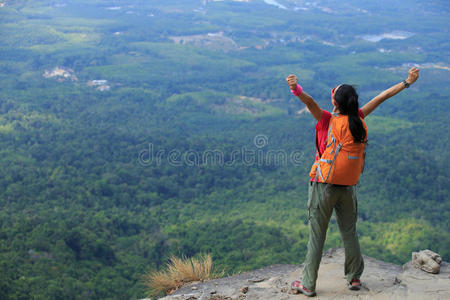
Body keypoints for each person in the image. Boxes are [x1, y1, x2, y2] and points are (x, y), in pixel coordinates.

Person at [286, 67, 420, 297]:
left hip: (323, 185)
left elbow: (309, 102)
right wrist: (407, 82)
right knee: (349, 232)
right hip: (348, 187)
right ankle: (354, 278)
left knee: (317, 235)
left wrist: (294, 88)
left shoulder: (327, 119)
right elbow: (382, 96)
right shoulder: (359, 117)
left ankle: (308, 284)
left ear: (336, 103)